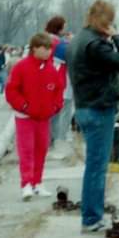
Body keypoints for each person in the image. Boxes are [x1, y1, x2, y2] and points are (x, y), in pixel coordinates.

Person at [68, 0, 119, 231]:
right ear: (105, 21)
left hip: (84, 107)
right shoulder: (96, 45)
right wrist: (117, 38)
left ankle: (92, 215)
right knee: (97, 167)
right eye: (111, 22)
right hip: (98, 109)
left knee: (94, 165)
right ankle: (91, 218)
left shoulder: (78, 40)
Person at [7, 32, 66, 200]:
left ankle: (37, 182)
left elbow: (58, 89)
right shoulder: (21, 67)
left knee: (41, 150)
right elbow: (12, 90)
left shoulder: (51, 69)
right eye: (45, 48)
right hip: (25, 116)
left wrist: (55, 106)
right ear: (34, 49)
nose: (48, 51)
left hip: (44, 117)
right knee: (26, 150)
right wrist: (24, 106)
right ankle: (26, 184)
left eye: (50, 48)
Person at [46, 15, 74, 153]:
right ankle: (59, 137)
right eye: (64, 25)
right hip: (61, 78)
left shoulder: (45, 39)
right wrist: (71, 42)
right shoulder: (60, 43)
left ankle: (50, 137)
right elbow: (71, 56)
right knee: (64, 109)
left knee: (52, 110)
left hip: (48, 79)